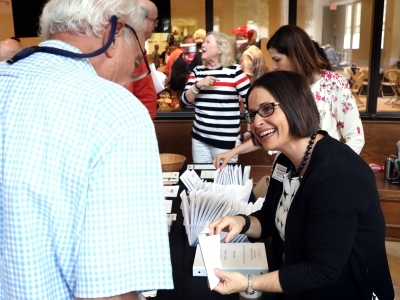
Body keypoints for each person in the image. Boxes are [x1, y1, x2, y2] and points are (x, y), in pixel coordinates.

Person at [0, 0, 173, 298]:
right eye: (135, 61)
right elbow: (110, 291)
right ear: (114, 33)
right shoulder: (115, 110)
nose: (132, 76)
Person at [208, 71, 394, 299]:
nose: (256, 122)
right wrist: (241, 222)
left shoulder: (338, 176)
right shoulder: (286, 160)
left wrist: (249, 282)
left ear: (295, 104)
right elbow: (269, 218)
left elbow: (321, 271)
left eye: (267, 109)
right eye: (252, 114)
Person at [214, 25, 364, 169]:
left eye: (277, 59)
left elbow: (355, 139)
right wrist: (233, 152)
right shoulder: (284, 88)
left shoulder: (333, 84)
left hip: (320, 175)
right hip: (285, 173)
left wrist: (331, 169)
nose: (274, 66)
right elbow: (269, 129)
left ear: (296, 55)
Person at [181, 31, 251, 163]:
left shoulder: (234, 72)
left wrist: (250, 130)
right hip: (199, 139)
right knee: (202, 179)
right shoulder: (197, 71)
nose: (203, 45)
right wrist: (197, 85)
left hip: (226, 141)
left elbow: (251, 102)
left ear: (220, 49)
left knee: (223, 181)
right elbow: (185, 101)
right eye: (203, 42)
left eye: (208, 42)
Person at [128, 0, 158, 119]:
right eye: (154, 20)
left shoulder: (139, 47)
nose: (155, 25)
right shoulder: (128, 50)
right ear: (140, 18)